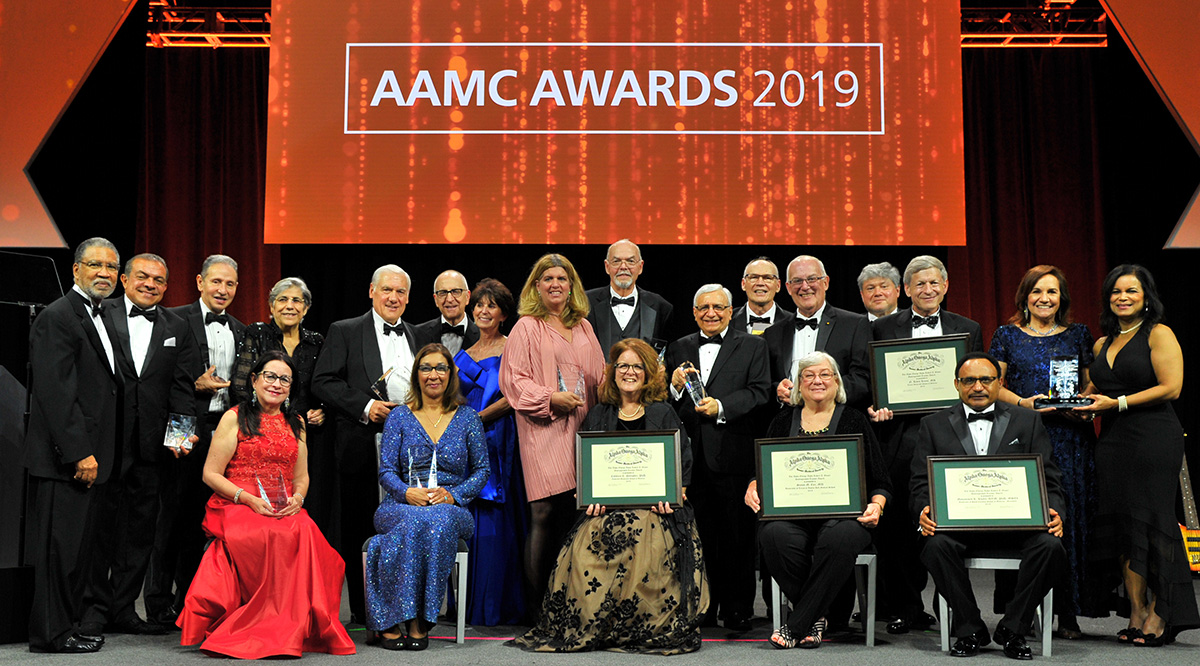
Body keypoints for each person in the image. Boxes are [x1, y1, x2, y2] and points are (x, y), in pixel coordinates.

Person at [517, 338, 709, 654]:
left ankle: (636, 627)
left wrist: (673, 494)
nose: (629, 372)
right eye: (623, 366)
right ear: (613, 371)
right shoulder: (599, 414)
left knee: (646, 536)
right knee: (583, 548)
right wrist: (590, 493)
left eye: (636, 366)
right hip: (604, 508)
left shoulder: (663, 412)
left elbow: (681, 460)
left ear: (648, 373)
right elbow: (587, 464)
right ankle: (597, 625)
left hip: (655, 510)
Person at [177, 351, 355, 658]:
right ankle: (261, 622)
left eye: (284, 379)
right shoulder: (234, 417)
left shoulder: (296, 422)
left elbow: (301, 476)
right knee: (266, 534)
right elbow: (210, 473)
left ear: (291, 387)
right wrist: (246, 498)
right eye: (270, 376)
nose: (276, 383)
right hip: (237, 501)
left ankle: (292, 623)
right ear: (254, 380)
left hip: (282, 502)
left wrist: (298, 499)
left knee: (305, 533)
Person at [911, 352, 1067, 660]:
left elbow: (1049, 478)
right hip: (959, 526)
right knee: (934, 544)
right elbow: (919, 481)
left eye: (985, 379)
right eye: (969, 380)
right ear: (957, 384)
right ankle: (969, 627)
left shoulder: (1028, 420)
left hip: (1015, 524)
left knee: (1050, 547)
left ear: (999, 382)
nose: (977, 387)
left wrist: (1056, 512)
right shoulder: (933, 425)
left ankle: (1014, 627)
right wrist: (924, 510)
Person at [1076, 264, 1200, 645]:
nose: (1122, 297)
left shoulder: (1159, 333)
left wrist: (1118, 403)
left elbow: (1172, 387)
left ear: (1146, 296)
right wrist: (1080, 402)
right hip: (1112, 441)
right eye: (1115, 291)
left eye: (1131, 291)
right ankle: (1136, 610)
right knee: (1123, 527)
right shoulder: (1101, 343)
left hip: (1154, 437)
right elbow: (1094, 389)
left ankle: (1164, 613)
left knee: (1154, 522)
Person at [81, 254, 195, 638]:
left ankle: (124, 608)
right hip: (105, 443)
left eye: (159, 280)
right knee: (99, 528)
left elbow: (183, 388)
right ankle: (94, 609)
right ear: (124, 279)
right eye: (142, 276)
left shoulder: (177, 325)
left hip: (152, 448)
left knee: (140, 531)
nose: (150, 284)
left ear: (167, 286)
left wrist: (179, 438)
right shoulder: (100, 314)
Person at [744, 351, 891, 649]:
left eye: (825, 374)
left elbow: (881, 481)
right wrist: (752, 485)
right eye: (808, 375)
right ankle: (816, 616)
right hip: (793, 515)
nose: (817, 381)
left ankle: (798, 623)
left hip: (846, 516)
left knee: (841, 536)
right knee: (772, 535)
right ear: (798, 384)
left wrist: (877, 505)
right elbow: (761, 469)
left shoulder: (854, 419)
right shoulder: (783, 420)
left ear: (837, 381)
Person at [871, 254, 983, 635]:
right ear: (906, 290)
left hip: (954, 436)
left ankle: (949, 605)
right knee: (904, 525)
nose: (927, 290)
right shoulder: (884, 328)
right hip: (902, 437)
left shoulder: (968, 328)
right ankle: (907, 607)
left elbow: (977, 383)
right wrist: (877, 406)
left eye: (934, 283)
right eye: (919, 284)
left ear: (946, 286)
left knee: (951, 522)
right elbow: (873, 379)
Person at [989, 265, 1100, 635]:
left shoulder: (1078, 334)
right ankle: (1024, 609)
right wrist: (1024, 402)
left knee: (1067, 522)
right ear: (1024, 297)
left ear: (1061, 298)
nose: (1044, 299)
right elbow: (993, 385)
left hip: (1071, 439)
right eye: (1037, 292)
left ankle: (1067, 612)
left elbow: (1088, 384)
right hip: (1023, 437)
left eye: (1052, 292)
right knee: (1028, 521)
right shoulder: (1006, 335)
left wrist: (1081, 404)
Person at [24, 238, 122, 653]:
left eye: (112, 267)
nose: (105, 273)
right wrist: (80, 451)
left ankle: (69, 624)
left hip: (95, 458)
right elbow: (55, 393)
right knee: (59, 552)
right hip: (69, 459)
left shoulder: (99, 315)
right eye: (95, 265)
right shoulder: (57, 316)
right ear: (76, 269)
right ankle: (50, 633)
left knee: (79, 552)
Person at [312, 264, 419, 624]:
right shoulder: (345, 330)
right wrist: (367, 406)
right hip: (360, 444)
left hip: (410, 451)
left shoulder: (417, 335)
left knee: (404, 524)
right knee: (360, 525)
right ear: (371, 291)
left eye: (401, 292)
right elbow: (322, 381)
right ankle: (363, 608)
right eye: (387, 289)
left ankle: (403, 606)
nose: (394, 297)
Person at [499, 253, 605, 614]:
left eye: (562, 279)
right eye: (548, 279)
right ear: (536, 286)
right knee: (543, 512)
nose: (556, 284)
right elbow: (513, 382)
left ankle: (572, 603)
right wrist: (550, 398)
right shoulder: (526, 327)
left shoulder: (585, 326)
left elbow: (600, 378)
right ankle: (537, 607)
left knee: (575, 514)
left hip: (583, 430)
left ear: (572, 285)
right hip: (543, 428)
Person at [366, 344, 490, 651]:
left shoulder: (468, 418)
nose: (433, 375)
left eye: (440, 368)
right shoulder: (399, 417)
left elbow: (482, 470)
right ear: (416, 375)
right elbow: (387, 472)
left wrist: (453, 495)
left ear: (450, 375)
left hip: (450, 508)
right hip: (400, 504)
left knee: (438, 520)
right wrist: (407, 492)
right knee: (417, 520)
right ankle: (402, 616)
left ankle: (417, 619)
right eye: (426, 368)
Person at [147, 254, 245, 627]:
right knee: (171, 516)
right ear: (199, 282)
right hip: (184, 426)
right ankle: (157, 602)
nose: (222, 290)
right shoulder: (173, 318)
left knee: (207, 520)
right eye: (216, 282)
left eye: (230, 284)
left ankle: (191, 602)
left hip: (226, 432)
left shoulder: (239, 328)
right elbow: (157, 378)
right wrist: (194, 384)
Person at [665, 284, 771, 631]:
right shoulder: (679, 346)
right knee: (698, 537)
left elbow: (760, 392)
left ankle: (739, 608)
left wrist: (722, 407)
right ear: (694, 312)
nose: (711, 312)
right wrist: (676, 385)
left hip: (734, 455)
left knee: (738, 538)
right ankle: (704, 607)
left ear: (730, 311)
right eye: (703, 307)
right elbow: (668, 403)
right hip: (691, 459)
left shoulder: (754, 344)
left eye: (718, 307)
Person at [230, 278, 333, 534]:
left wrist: (322, 409)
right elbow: (242, 385)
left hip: (304, 434)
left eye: (297, 300)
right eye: (283, 300)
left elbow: (323, 385)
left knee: (305, 501)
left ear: (306, 308)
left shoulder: (317, 341)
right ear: (271, 307)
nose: (290, 306)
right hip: (260, 432)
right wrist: (266, 420)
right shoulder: (256, 333)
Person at [452, 278, 527, 625]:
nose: (483, 310)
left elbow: (515, 397)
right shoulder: (460, 357)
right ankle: (470, 605)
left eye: (491, 305)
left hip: (504, 441)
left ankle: (500, 604)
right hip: (471, 444)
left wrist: (477, 419)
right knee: (473, 518)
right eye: (479, 304)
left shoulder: (515, 347)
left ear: (503, 314)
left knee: (503, 519)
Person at [764, 255, 872, 406]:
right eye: (797, 281)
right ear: (788, 287)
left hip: (838, 419)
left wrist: (824, 393)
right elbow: (764, 382)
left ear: (825, 282)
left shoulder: (854, 325)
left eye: (812, 279)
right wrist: (777, 390)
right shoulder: (773, 333)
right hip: (788, 420)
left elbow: (863, 378)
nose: (805, 286)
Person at [584, 239, 674, 353]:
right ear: (607, 267)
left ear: (640, 267)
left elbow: (667, 357)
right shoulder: (585, 303)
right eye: (616, 261)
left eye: (630, 261)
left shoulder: (660, 307)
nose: (623, 267)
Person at [414, 270, 480, 355]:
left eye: (456, 292)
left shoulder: (484, 336)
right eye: (443, 293)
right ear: (436, 300)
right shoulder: (417, 334)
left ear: (467, 297)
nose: (449, 299)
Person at [733, 256, 794, 334]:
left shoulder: (793, 322)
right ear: (743, 284)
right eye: (754, 277)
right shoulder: (727, 320)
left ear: (778, 285)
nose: (760, 283)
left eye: (768, 278)